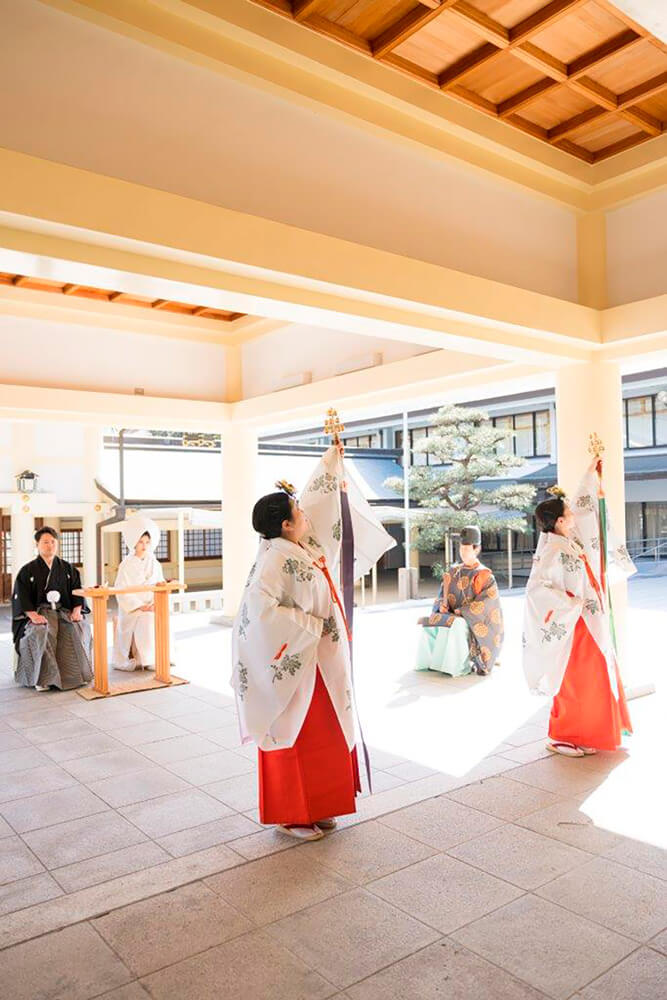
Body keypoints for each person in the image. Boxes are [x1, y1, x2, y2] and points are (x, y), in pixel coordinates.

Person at [232, 444, 394, 841]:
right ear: (286, 525)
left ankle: (319, 807)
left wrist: (331, 463)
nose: (304, 514)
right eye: (297, 512)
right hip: (297, 665)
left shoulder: (298, 547)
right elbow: (259, 612)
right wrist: (309, 625)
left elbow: (321, 506)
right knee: (296, 736)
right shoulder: (273, 559)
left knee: (323, 736)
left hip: (318, 662)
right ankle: (292, 815)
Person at [523, 464, 635, 756]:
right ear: (560, 521)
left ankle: (585, 733)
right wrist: (570, 604)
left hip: (585, 621)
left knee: (591, 677)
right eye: (569, 512)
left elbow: (587, 522)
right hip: (572, 623)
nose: (573, 514)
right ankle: (561, 734)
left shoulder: (567, 543)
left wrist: (594, 483)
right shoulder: (552, 550)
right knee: (572, 679)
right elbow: (537, 590)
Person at [12, 526, 92, 691]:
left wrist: (77, 611)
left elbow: (77, 591)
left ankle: (76, 675)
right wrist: (33, 615)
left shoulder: (68, 569)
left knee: (78, 628)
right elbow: (22, 596)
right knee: (40, 632)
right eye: (45, 542)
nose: (50, 545)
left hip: (63, 611)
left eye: (53, 542)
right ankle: (42, 679)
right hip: (39, 612)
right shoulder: (27, 570)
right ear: (37, 545)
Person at [416, 525, 503, 676]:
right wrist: (442, 606)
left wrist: (462, 611)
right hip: (452, 614)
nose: (463, 552)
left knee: (457, 624)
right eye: (461, 548)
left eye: (467, 549)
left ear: (477, 549)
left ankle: (456, 667)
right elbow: (441, 595)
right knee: (431, 621)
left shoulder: (485, 575)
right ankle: (433, 662)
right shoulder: (453, 571)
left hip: (472, 620)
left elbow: (487, 604)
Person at [112, 515, 165, 671]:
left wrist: (153, 603)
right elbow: (121, 590)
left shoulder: (155, 563)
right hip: (133, 609)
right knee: (146, 619)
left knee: (158, 616)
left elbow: (160, 583)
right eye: (141, 542)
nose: (144, 545)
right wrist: (140, 606)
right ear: (134, 542)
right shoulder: (126, 564)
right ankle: (147, 660)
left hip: (152, 604)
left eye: (147, 542)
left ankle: (159, 656)